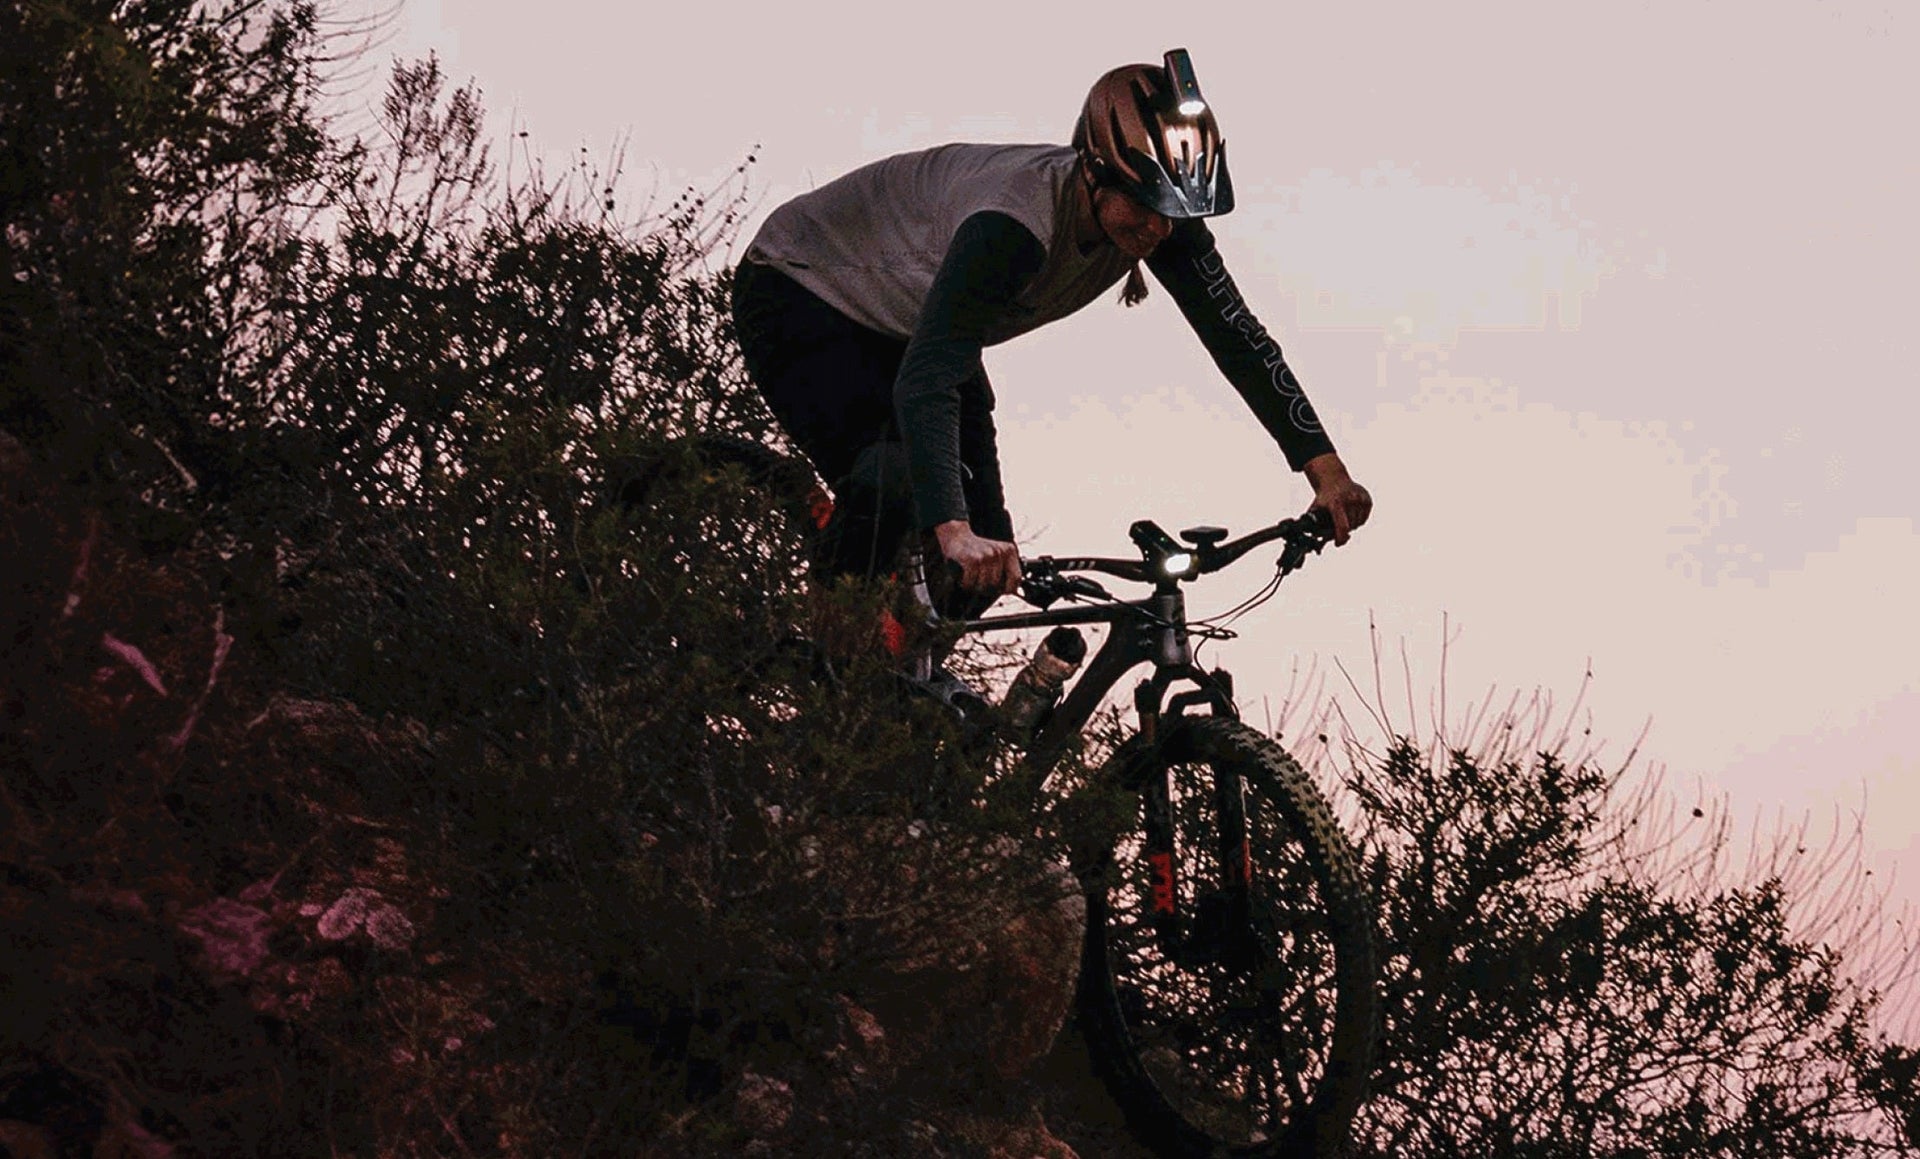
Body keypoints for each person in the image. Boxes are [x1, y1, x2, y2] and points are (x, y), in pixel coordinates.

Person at [730, 49, 1372, 611]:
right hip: (802, 290)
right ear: (1095, 170)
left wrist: (1327, 473)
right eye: (1146, 206)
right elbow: (928, 378)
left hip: (909, 320)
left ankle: (898, 679)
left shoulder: (1161, 228)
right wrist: (950, 530)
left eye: (1177, 212)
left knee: (992, 558)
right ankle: (824, 658)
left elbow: (1239, 339)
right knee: (899, 487)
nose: (1158, 229)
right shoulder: (1012, 226)